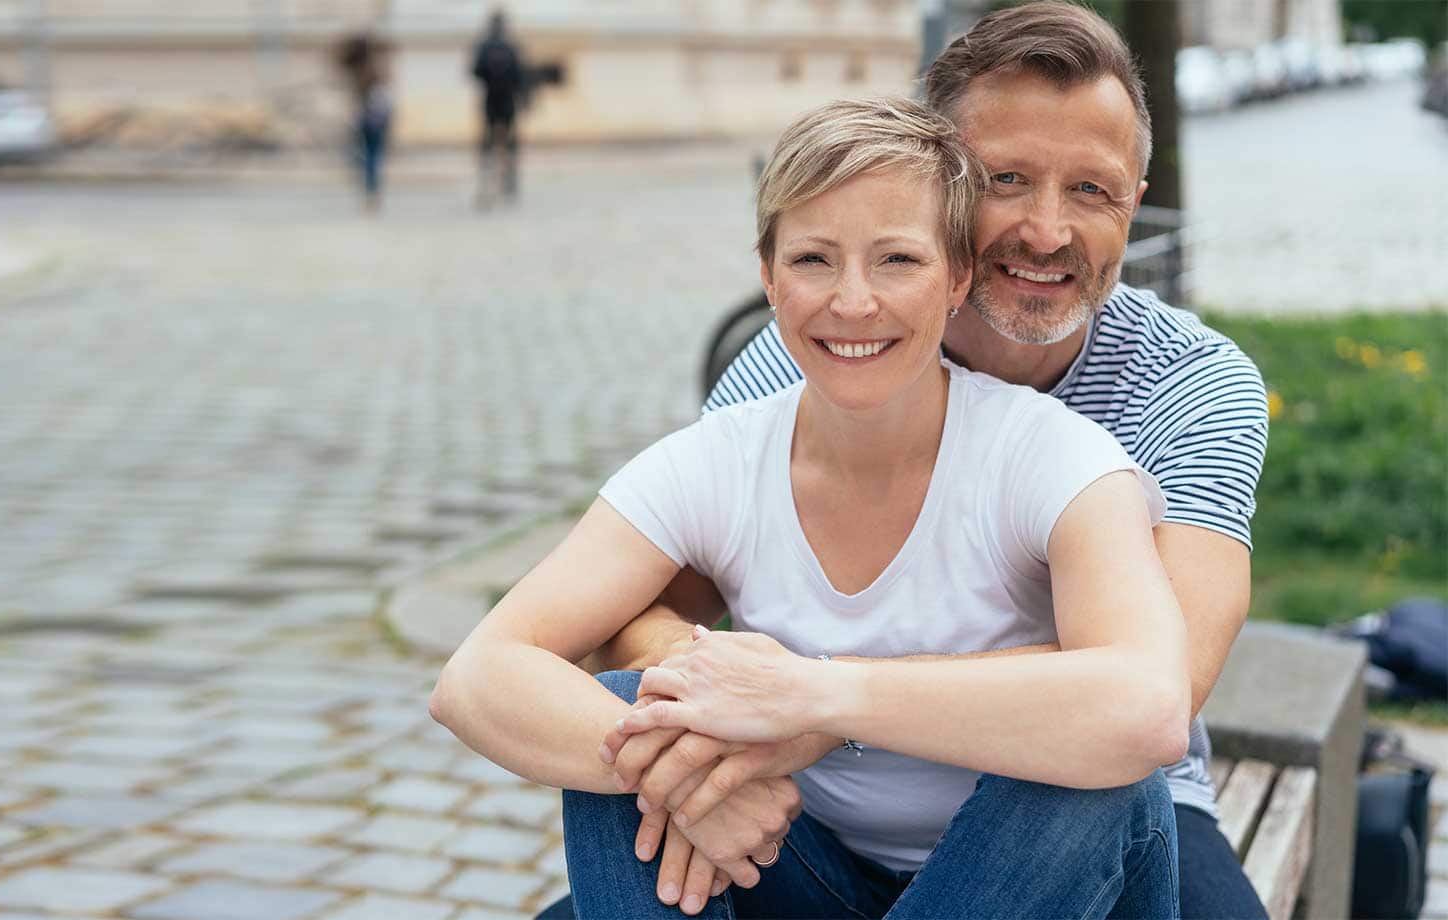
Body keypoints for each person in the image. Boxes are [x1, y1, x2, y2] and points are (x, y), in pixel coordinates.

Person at [567, 3, 1271, 918]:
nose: (1048, 230)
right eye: (1007, 178)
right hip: (822, 806)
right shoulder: (824, 347)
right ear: (939, 180)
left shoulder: (1192, 382)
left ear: (1136, 198)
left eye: (1092, 191)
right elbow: (641, 602)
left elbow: (1155, 689)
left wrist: (814, 698)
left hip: (1082, 801)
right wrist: (704, 693)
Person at [433, 93, 1193, 919]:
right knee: (627, 717)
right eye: (813, 260)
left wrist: (819, 695)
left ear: (957, 279)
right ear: (767, 276)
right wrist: (681, 781)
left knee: (1098, 784)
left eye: (897, 260)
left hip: (1026, 877)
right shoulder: (719, 460)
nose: (853, 301)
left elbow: (1148, 704)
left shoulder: (1055, 459)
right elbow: (477, 676)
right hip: (803, 865)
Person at [470, 8, 524, 209]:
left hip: (490, 100)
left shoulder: (483, 47)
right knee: (509, 140)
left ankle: (489, 175)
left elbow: (475, 71)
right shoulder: (511, 47)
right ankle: (509, 176)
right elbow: (520, 75)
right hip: (508, 101)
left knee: (488, 140)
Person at [335, 34, 392, 212]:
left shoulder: (358, 71)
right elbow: (384, 95)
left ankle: (370, 192)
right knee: (373, 155)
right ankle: (372, 191)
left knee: (368, 155)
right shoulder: (375, 69)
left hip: (365, 118)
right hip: (377, 118)